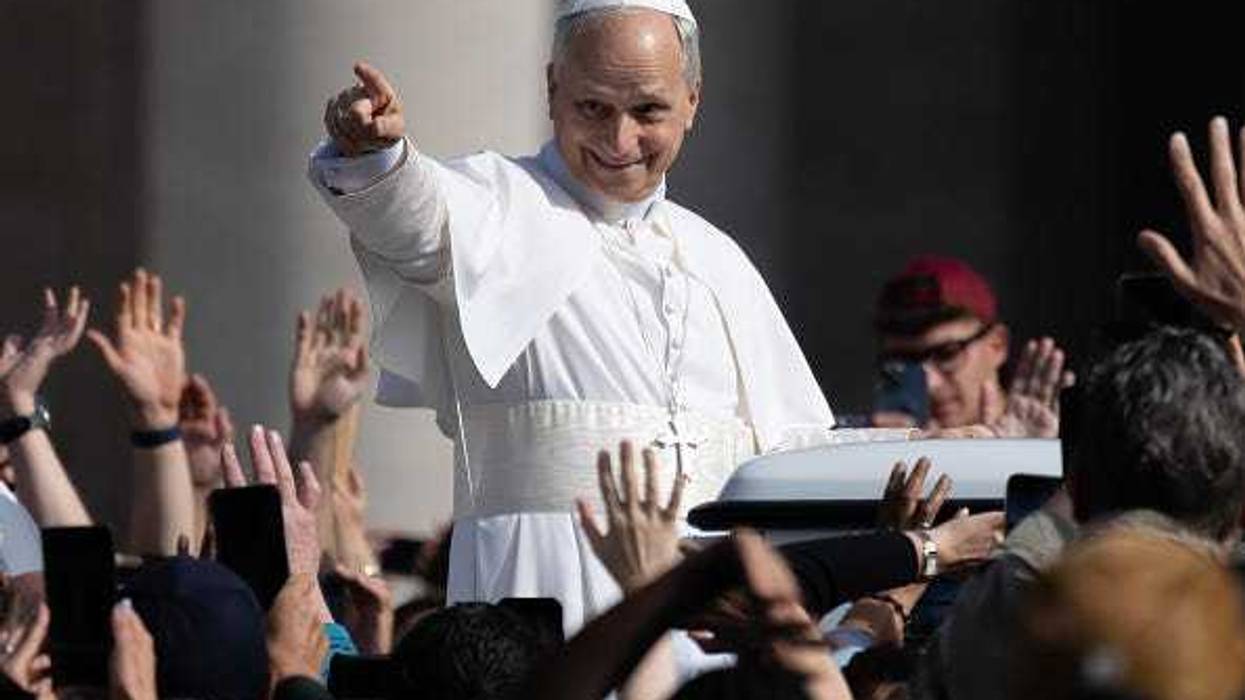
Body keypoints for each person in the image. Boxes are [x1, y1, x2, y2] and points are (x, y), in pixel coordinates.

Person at [307, 0, 833, 634]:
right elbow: (414, 221)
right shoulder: (497, 204)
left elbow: (794, 455)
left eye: (648, 111)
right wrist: (376, 156)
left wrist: (923, 452)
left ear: (692, 101)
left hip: (712, 622)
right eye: (593, 108)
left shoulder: (720, 261)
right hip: (543, 598)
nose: (619, 140)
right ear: (554, 89)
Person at [873, 255, 1072, 436]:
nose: (930, 383)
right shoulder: (884, 457)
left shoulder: (1061, 443)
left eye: (947, 354)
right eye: (904, 361)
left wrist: (1024, 460)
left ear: (997, 345)